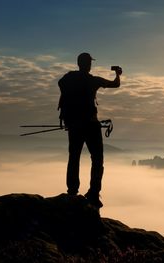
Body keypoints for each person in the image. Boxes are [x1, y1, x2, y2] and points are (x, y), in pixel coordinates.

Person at [58, 52, 122, 208]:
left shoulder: (67, 79)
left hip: (73, 124)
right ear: (89, 64)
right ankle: (93, 193)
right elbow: (115, 84)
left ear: (79, 63)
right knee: (97, 159)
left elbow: (61, 85)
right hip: (91, 124)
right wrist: (118, 74)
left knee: (74, 157)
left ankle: (72, 190)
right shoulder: (93, 81)